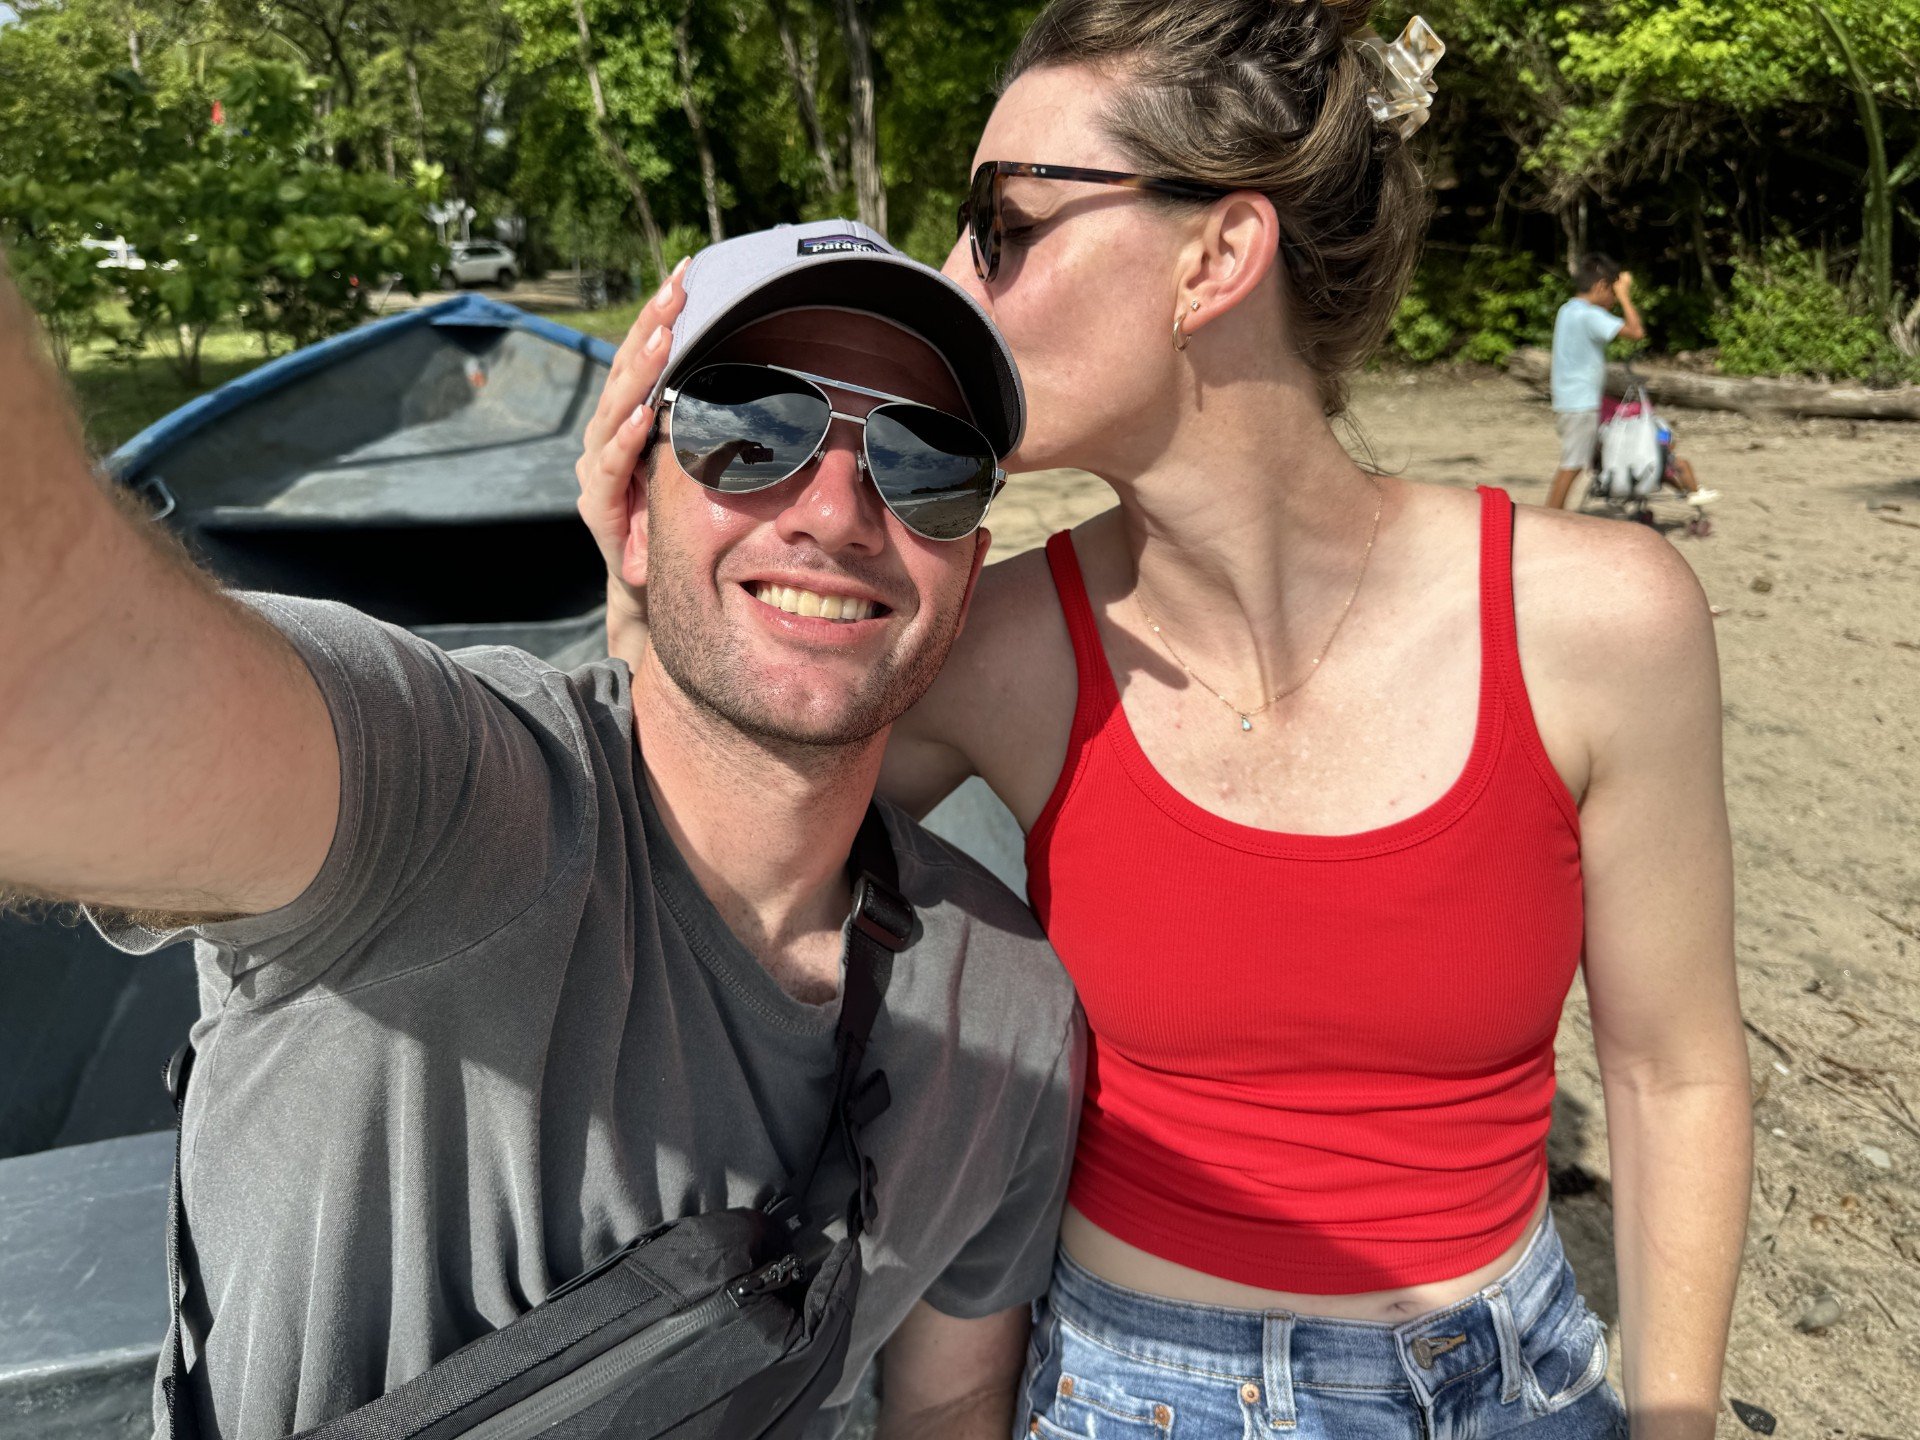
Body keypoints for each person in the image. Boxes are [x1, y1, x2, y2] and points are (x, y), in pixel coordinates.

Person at [576, 3, 1751, 1437]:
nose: (953, 276)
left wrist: (1677, 1413)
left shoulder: (1598, 622)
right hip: (1132, 1395)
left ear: (1216, 257)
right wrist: (649, 586)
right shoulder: (996, 648)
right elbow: (689, 863)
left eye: (1001, 225)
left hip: (1514, 1385)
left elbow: (1672, 1067)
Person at [0, 223, 1086, 1440]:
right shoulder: (447, 802)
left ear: (970, 561)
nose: (837, 510)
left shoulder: (1011, 1017)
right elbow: (50, 677)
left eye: (925, 459)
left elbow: (948, 1405)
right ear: (627, 513)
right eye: (748, 430)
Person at [1548, 254, 1720, 511]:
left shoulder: (1568, 309)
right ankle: (1549, 517)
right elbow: (1636, 332)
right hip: (1580, 402)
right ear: (1601, 286)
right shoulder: (1589, 316)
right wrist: (1626, 295)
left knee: (1598, 455)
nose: (1614, 299)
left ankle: (1680, 485)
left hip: (1571, 398)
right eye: (1613, 292)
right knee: (1573, 464)